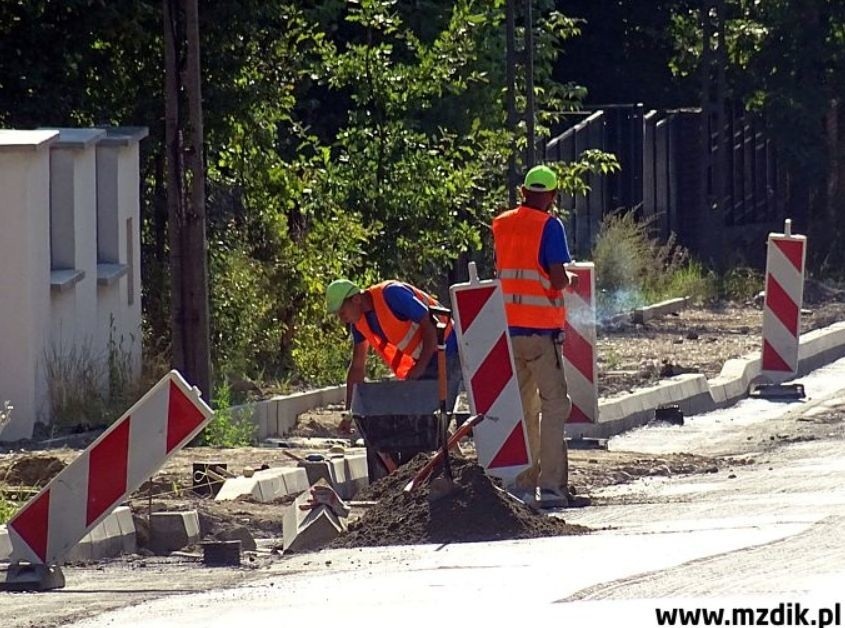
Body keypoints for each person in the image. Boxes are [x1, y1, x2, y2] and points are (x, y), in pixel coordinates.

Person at [491, 164, 589, 509]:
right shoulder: (550, 226)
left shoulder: (501, 224)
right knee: (554, 406)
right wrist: (573, 282)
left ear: (523, 193)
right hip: (541, 333)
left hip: (507, 332)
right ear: (552, 196)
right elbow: (558, 278)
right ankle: (551, 487)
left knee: (523, 410)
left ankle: (522, 484)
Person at [325, 279, 461, 430]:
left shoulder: (391, 294)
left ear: (356, 299)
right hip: (427, 356)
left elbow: (430, 323)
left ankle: (444, 443)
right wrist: (349, 413)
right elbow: (357, 366)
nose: (341, 319)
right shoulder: (359, 324)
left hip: (448, 346)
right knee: (422, 415)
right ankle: (442, 444)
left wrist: (420, 367)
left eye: (342, 312)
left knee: (433, 410)